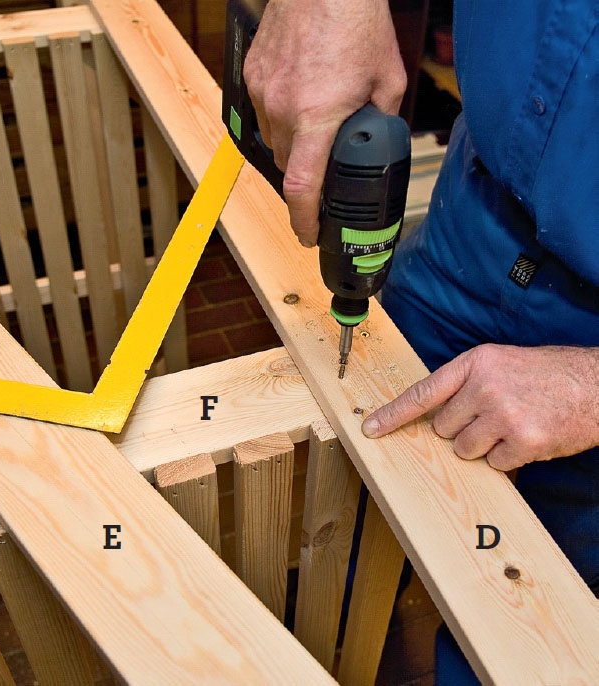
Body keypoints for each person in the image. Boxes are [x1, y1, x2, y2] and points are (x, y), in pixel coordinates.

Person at [245, 0, 599, 681]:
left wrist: (590, 390)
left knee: (521, 621)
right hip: (475, 213)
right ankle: (332, 636)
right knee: (353, 501)